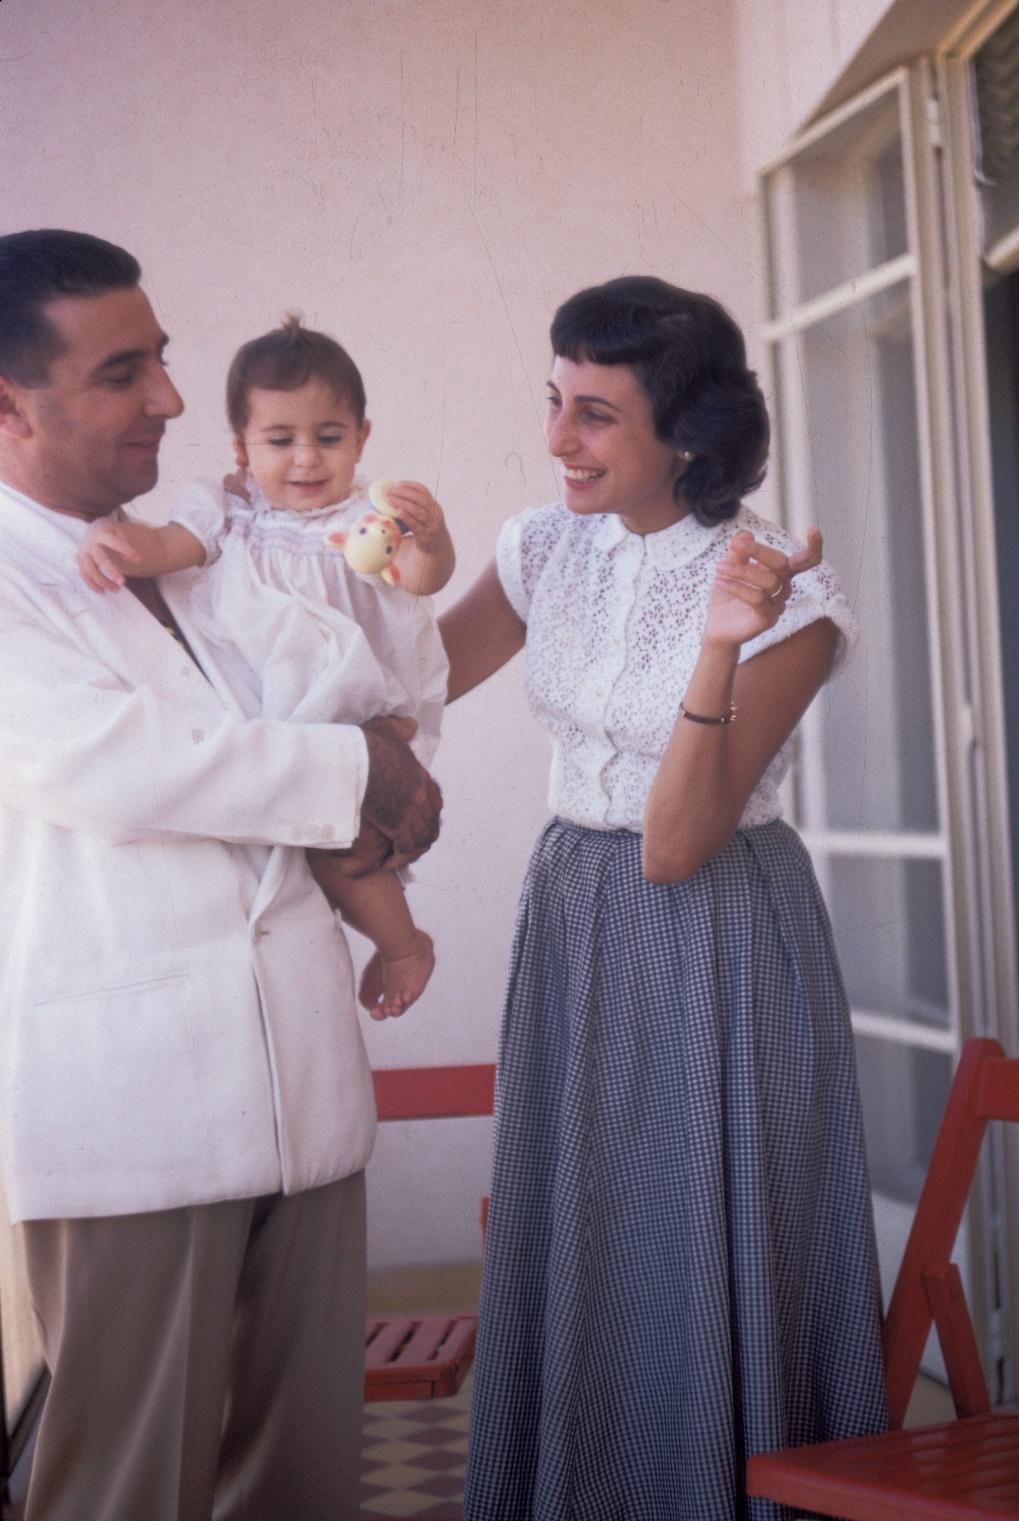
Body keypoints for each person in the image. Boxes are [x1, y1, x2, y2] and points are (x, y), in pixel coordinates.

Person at [0, 228, 442, 1521]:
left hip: (300, 1084)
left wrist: (381, 769)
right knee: (126, 1487)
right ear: (11, 403)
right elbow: (126, 766)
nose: (174, 402)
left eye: (166, 361)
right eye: (124, 371)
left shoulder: (188, 551)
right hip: (136, 1107)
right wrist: (354, 768)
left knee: (298, 1480)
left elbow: (351, 691)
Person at [440, 276, 887, 1521]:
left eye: (593, 415)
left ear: (684, 433)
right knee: (586, 1236)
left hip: (716, 930)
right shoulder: (541, 547)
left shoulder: (787, 600)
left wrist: (715, 642)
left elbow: (679, 843)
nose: (556, 442)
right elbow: (406, 685)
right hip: (572, 911)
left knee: (704, 1237)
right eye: (553, 403)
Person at [77, 313, 454, 1017]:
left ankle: (403, 944)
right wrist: (116, 537)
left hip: (351, 706)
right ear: (243, 447)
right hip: (265, 708)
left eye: (329, 437)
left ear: (361, 437)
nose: (306, 459)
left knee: (346, 844)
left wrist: (430, 538)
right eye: (280, 440)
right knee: (301, 837)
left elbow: (424, 578)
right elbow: (170, 547)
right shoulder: (225, 512)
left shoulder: (367, 522)